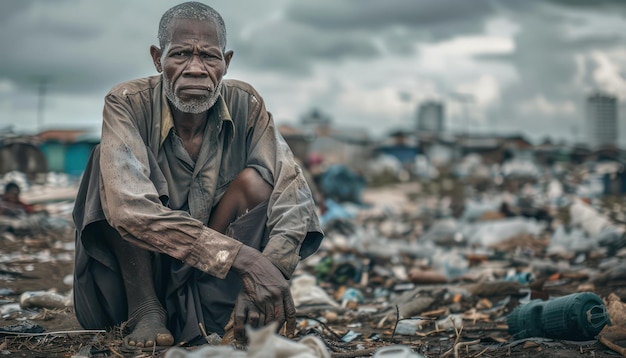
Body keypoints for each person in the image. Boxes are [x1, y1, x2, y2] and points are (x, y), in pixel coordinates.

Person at [72, 1, 323, 350]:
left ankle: (225, 313)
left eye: (209, 56)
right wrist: (244, 259)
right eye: (180, 55)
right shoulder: (127, 102)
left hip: (212, 296)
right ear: (158, 58)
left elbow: (294, 195)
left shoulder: (246, 104)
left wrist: (269, 269)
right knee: (105, 160)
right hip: (127, 295)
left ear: (227, 62)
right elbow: (129, 211)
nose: (195, 69)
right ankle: (147, 308)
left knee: (256, 182)